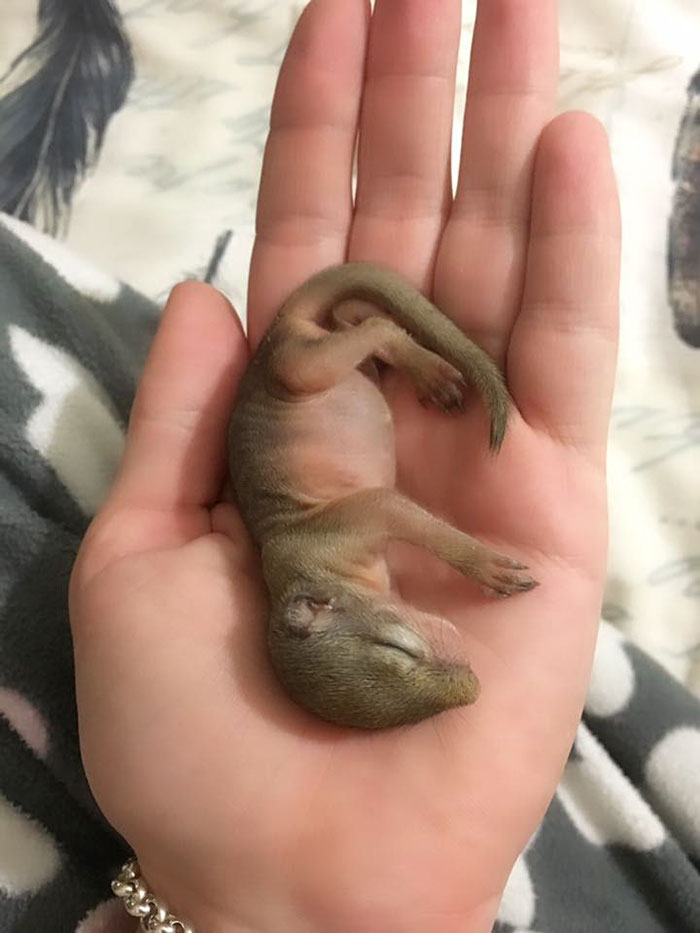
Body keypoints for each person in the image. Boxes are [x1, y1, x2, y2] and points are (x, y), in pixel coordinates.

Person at [68, 0, 620, 930]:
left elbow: (387, 511)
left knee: (335, 352)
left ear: (315, 610)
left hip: (302, 375)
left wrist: (467, 554)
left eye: (406, 647)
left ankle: (383, 334)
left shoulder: (318, 557)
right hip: (352, 395)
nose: (448, 659)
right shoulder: (329, 591)